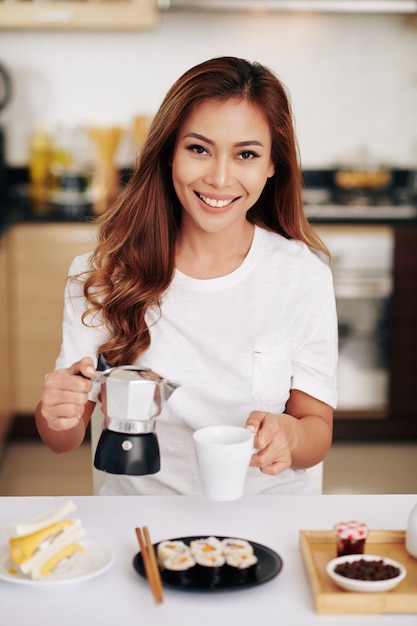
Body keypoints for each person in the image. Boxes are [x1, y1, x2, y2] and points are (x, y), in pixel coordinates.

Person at [35, 56, 338, 495]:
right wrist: (55, 411)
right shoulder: (100, 274)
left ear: (273, 164)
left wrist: (290, 436)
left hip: (265, 520)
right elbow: (62, 440)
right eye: (199, 149)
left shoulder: (302, 276)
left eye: (246, 155)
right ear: (169, 152)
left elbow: (317, 431)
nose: (219, 178)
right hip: (137, 523)